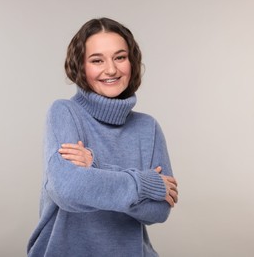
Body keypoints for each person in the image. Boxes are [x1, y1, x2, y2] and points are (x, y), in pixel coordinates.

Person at [27, 17, 178, 257]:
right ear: (80, 66)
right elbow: (68, 190)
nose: (111, 69)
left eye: (120, 57)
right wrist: (146, 184)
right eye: (97, 60)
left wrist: (94, 167)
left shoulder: (148, 127)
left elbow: (158, 210)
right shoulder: (65, 112)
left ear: (132, 62)